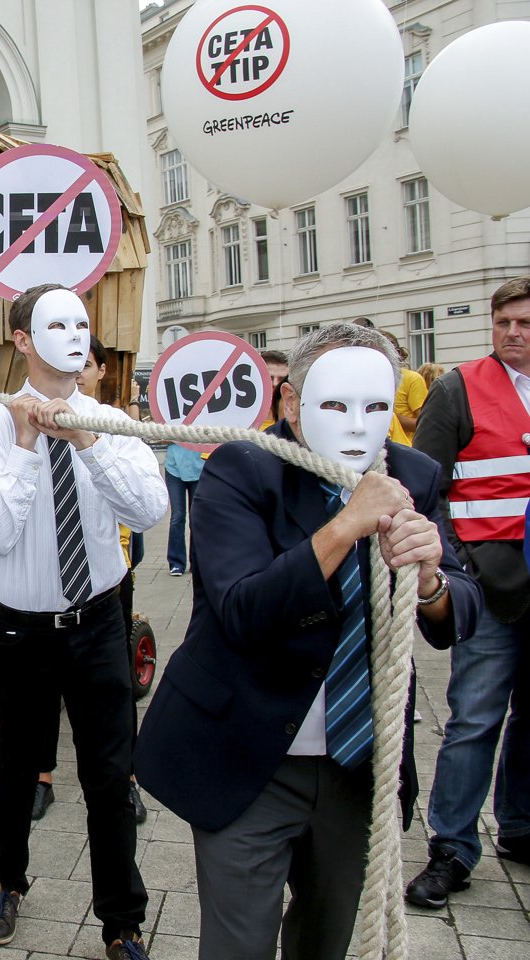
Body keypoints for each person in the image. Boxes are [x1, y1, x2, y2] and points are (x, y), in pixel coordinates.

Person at [134, 323, 477, 960]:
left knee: (329, 940)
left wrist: (430, 579)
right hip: (250, 758)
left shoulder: (413, 476)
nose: (356, 425)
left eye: (376, 406)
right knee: (239, 946)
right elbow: (241, 607)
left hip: (357, 767)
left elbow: (458, 609)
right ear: (290, 403)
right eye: (335, 404)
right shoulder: (243, 466)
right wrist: (344, 527)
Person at [0, 283, 166, 958]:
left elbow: (148, 511)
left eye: (83, 323)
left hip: (99, 622)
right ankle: (6, 880)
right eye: (59, 323)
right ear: (22, 339)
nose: (78, 334)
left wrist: (85, 440)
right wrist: (26, 444)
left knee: (110, 776)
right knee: (18, 767)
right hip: (21, 629)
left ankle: (121, 920)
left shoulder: (107, 419)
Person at [407, 276, 530, 908]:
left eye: (525, 323)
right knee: (475, 719)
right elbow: (424, 485)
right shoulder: (458, 388)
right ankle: (452, 847)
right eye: (504, 321)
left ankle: (520, 825)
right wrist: (460, 569)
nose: (513, 332)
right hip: (489, 589)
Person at [33, 338, 149, 824]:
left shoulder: (113, 428)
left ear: (100, 371)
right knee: (40, 691)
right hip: (43, 592)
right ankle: (41, 777)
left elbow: (142, 510)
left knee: (113, 688)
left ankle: (125, 778)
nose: (74, 370)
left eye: (84, 363)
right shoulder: (23, 422)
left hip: (106, 584)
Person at [162, 443, 204, 578]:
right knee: (177, 516)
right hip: (174, 467)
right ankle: (176, 562)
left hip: (199, 466)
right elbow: (160, 437)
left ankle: (197, 562)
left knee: (196, 518)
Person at [383, 331, 428, 445]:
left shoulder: (412, 379)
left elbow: (426, 424)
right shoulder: (365, 381)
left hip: (405, 448)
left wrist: (389, 416)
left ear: (397, 353)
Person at [261, 349, 289, 427]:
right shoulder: (243, 413)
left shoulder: (294, 415)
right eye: (270, 378)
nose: (275, 383)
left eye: (281, 379)